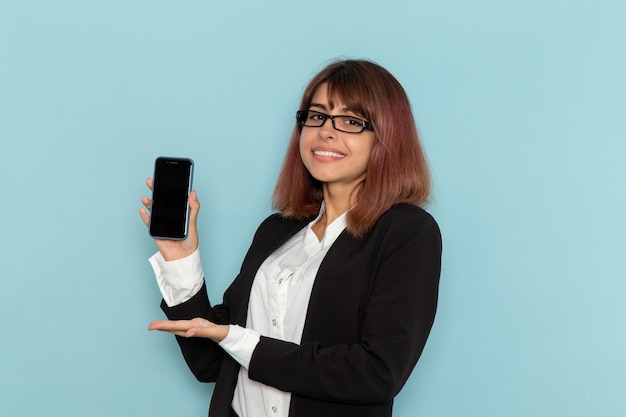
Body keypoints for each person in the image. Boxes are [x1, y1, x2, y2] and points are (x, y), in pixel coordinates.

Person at [139, 59, 442, 417]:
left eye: (350, 120)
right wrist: (181, 261)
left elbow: (378, 373)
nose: (326, 131)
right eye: (316, 116)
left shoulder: (407, 232)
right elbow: (210, 363)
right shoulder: (277, 230)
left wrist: (243, 341)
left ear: (386, 136)